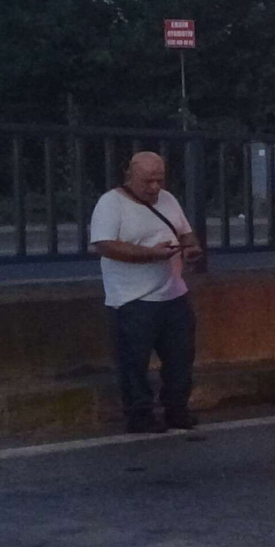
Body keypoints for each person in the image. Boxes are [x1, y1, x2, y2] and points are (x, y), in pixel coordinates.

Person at [89, 151, 204, 434]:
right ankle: (139, 414)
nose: (154, 188)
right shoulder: (111, 203)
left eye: (159, 180)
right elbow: (105, 245)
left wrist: (190, 247)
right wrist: (151, 254)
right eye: (147, 181)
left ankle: (177, 408)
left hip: (173, 293)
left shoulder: (168, 199)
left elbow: (185, 231)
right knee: (134, 362)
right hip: (132, 298)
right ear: (130, 176)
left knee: (181, 356)